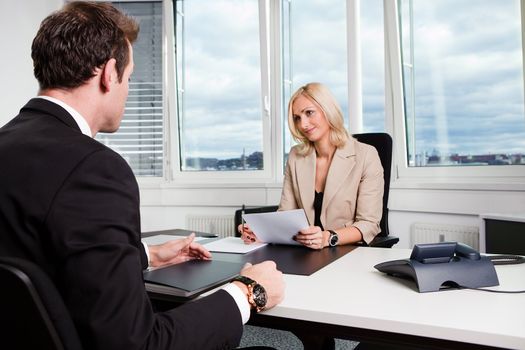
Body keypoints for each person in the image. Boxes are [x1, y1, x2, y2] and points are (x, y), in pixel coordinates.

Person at [0, 2, 284, 350]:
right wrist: (246, 292)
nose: (128, 90)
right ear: (109, 73)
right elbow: (137, 344)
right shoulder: (93, 168)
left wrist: (148, 254)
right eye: (130, 77)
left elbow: (40, 256)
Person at [240, 82, 384, 250]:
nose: (303, 124)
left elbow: (369, 224)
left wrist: (327, 238)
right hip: (303, 251)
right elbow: (286, 214)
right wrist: (262, 232)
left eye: (309, 113)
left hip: (346, 251)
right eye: (297, 118)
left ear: (327, 109)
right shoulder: (296, 156)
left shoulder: (366, 155)